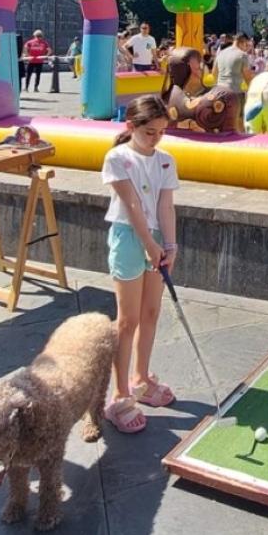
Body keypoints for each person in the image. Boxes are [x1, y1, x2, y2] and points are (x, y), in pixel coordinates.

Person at [100, 95, 179, 434]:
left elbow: (166, 206)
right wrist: (149, 244)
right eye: (149, 131)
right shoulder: (117, 158)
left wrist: (170, 245)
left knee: (151, 313)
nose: (156, 138)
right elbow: (131, 204)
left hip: (157, 239)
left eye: (161, 131)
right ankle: (118, 396)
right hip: (130, 239)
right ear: (131, 126)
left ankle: (141, 378)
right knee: (127, 320)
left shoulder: (165, 161)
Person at [215, 33, 255, 132]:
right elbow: (248, 77)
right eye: (246, 45)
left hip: (219, 91)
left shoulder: (221, 53)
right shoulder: (242, 55)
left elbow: (214, 73)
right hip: (235, 92)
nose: (246, 48)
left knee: (222, 121)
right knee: (239, 122)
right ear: (243, 42)